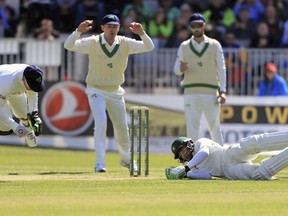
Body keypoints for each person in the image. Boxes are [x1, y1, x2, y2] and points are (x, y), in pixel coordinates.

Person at [64, 14, 154, 173]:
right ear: (103, 28)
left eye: (115, 26)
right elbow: (68, 45)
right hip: (95, 89)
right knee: (101, 123)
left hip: (115, 91)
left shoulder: (125, 42)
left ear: (119, 28)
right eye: (109, 26)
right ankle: (100, 163)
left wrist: (142, 33)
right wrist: (78, 31)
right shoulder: (93, 41)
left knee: (122, 128)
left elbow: (149, 47)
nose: (112, 29)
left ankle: (127, 159)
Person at [173, 13, 226, 145]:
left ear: (204, 25)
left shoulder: (215, 45)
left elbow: (222, 68)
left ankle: (222, 161)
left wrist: (223, 90)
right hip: (191, 92)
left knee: (215, 128)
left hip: (211, 92)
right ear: (190, 27)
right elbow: (176, 70)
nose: (196, 28)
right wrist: (181, 69)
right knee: (192, 129)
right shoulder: (184, 46)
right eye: (193, 26)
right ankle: (194, 162)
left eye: (199, 25)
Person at [166, 131, 288, 180]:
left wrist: (186, 168)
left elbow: (204, 153)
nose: (183, 154)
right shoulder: (193, 167)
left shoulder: (199, 143)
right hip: (228, 172)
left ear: (189, 143)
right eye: (180, 154)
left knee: (253, 142)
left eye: (182, 150)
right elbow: (208, 176)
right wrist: (187, 174)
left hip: (228, 155)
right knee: (260, 174)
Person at [0, 64, 45, 147]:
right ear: (23, 79)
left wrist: (34, 114)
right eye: (31, 86)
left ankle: (27, 127)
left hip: (16, 91)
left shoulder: (31, 73)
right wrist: (14, 126)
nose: (32, 89)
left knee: (24, 115)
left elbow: (32, 94)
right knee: (5, 128)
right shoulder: (5, 84)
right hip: (3, 87)